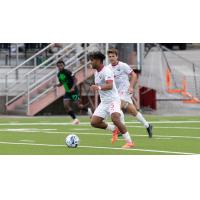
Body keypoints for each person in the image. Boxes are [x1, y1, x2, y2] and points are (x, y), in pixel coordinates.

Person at [89, 51, 134, 148]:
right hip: (104, 102)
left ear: (98, 60)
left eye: (92, 60)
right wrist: (96, 87)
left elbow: (109, 85)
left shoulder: (107, 71)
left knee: (115, 119)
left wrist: (99, 88)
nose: (90, 62)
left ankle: (129, 142)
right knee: (94, 122)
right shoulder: (96, 72)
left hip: (113, 100)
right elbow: (101, 86)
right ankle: (114, 129)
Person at [107, 48, 153, 138]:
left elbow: (134, 75)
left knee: (117, 106)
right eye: (110, 56)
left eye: (113, 56)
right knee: (133, 112)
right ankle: (147, 125)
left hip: (126, 90)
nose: (111, 58)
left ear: (117, 56)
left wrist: (131, 86)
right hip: (116, 93)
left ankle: (121, 129)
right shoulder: (108, 68)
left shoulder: (123, 65)